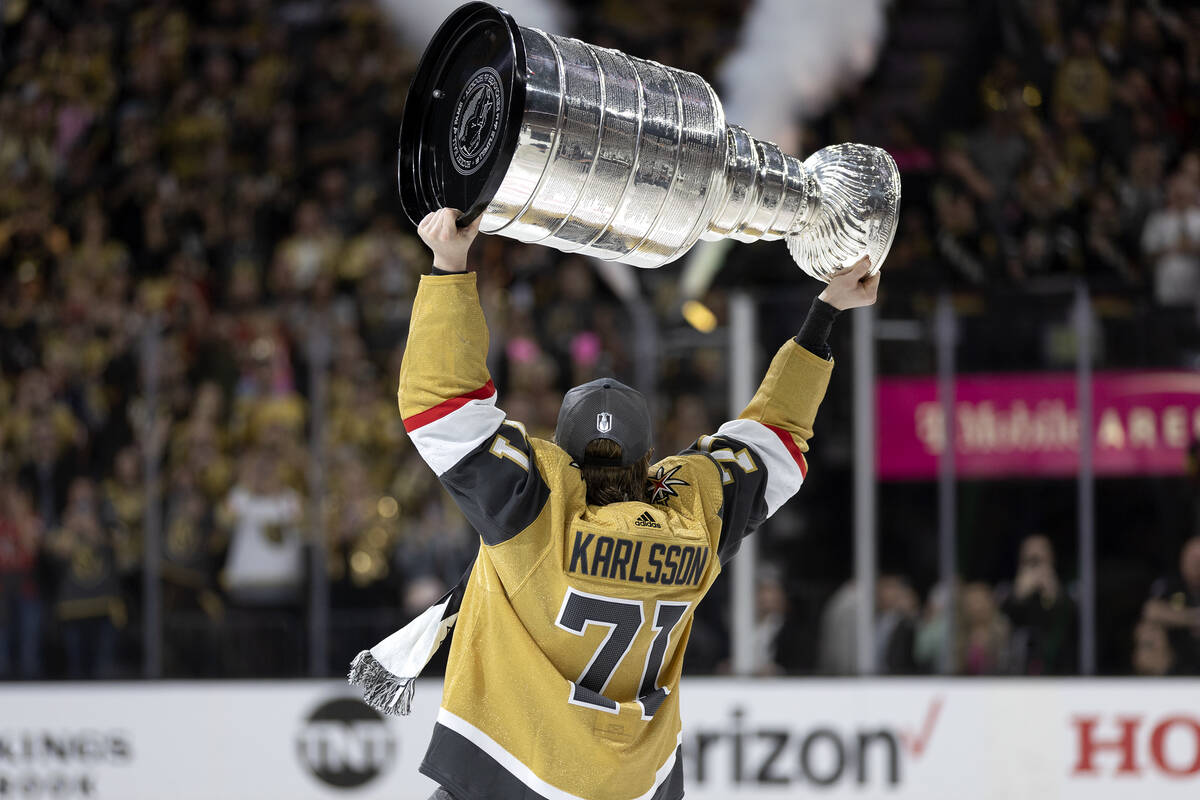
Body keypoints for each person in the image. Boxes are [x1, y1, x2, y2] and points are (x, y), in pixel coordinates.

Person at [351, 208, 880, 800]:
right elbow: (776, 441)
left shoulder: (537, 507)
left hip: (514, 766)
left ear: (567, 454)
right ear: (650, 456)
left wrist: (450, 263)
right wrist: (824, 315)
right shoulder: (693, 514)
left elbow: (440, 405)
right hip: (634, 783)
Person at [1143, 536, 1200, 673]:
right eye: (1192, 560)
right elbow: (1151, 611)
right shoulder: (1171, 584)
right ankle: (1158, 683)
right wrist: (1193, 619)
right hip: (1178, 642)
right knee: (1148, 630)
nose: (1196, 565)